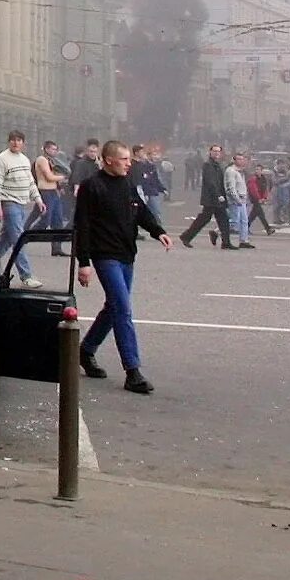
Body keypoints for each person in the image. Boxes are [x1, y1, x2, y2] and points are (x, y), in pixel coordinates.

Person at [75, 139, 173, 395]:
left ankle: (85, 351)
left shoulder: (127, 183)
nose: (129, 164)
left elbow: (139, 211)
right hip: (104, 255)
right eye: (125, 160)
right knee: (123, 308)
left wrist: (158, 231)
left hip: (126, 253)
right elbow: (82, 225)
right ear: (109, 160)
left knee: (114, 306)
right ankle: (133, 370)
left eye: (129, 159)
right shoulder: (91, 187)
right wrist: (83, 263)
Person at [0, 131, 45, 288]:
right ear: (8, 142)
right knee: (19, 239)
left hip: (21, 203)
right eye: (13, 140)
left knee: (6, 239)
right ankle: (26, 275)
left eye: (19, 140)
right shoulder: (1, 159)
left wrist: (38, 199)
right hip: (8, 203)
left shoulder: (24, 159)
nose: (15, 143)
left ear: (23, 143)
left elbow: (30, 182)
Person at [178, 143, 233, 248]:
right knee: (204, 219)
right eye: (214, 151)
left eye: (218, 151)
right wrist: (218, 195)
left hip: (218, 198)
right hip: (212, 198)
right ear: (210, 152)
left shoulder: (218, 165)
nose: (217, 153)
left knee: (223, 219)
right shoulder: (208, 165)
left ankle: (226, 242)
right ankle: (186, 236)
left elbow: (220, 182)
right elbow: (211, 182)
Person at [35, 140, 69, 258]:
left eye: (56, 149)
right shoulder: (42, 160)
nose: (55, 151)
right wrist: (62, 177)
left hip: (54, 192)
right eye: (53, 149)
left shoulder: (52, 160)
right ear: (46, 149)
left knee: (57, 221)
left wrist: (59, 185)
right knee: (46, 220)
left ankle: (57, 247)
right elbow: (49, 177)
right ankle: (27, 237)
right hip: (45, 191)